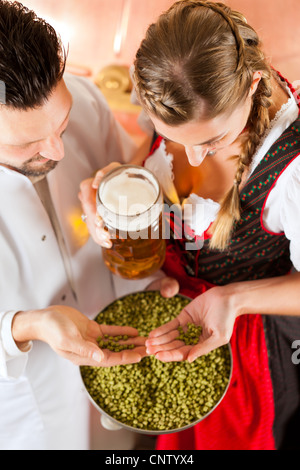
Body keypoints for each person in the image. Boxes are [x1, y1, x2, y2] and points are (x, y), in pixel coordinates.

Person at [92, 0, 300, 450]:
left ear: (253, 86)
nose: (193, 157)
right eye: (175, 138)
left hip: (242, 330)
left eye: (212, 140)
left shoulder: (293, 176)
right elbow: (147, 161)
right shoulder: (173, 89)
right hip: (172, 302)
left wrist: (232, 299)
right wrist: (116, 186)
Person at [0, 0, 177, 450]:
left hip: (122, 355)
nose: (57, 152)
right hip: (34, 411)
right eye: (30, 144)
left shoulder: (85, 98)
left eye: (61, 122)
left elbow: (136, 188)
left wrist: (145, 279)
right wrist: (23, 327)